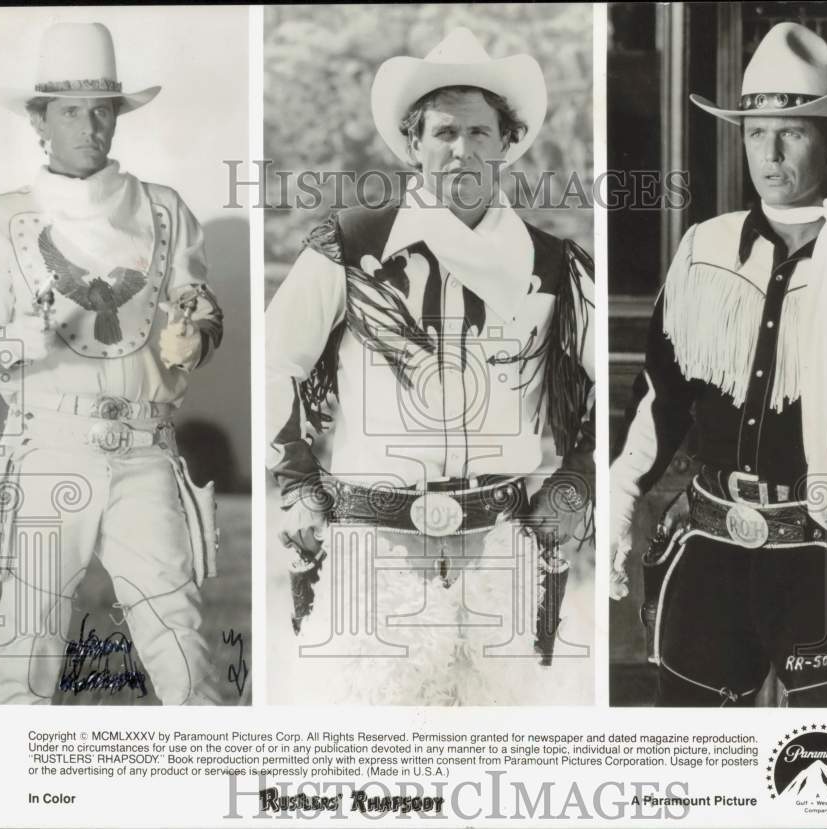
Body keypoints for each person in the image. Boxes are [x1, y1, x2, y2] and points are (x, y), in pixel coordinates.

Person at [609, 22, 827, 707]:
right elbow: (658, 398)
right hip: (707, 548)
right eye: (755, 131)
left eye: (791, 131)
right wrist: (619, 499)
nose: (770, 150)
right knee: (694, 767)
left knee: (826, 767)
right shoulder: (704, 250)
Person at [266, 28, 595, 705]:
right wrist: (298, 480)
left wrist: (577, 481)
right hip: (374, 546)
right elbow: (275, 360)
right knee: (368, 767)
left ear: (508, 142)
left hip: (501, 548)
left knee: (497, 766)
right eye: (444, 131)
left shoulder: (555, 266)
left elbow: (612, 390)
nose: (462, 150)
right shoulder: (352, 247)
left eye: (479, 131)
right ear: (413, 143)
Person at [0, 22, 224, 704]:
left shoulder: (166, 212)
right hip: (49, 450)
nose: (91, 124)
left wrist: (193, 337)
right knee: (27, 650)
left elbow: (201, 308)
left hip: (146, 450)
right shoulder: (0, 220)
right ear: (40, 120)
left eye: (103, 109)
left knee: (182, 645)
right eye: (72, 110)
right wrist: (16, 338)